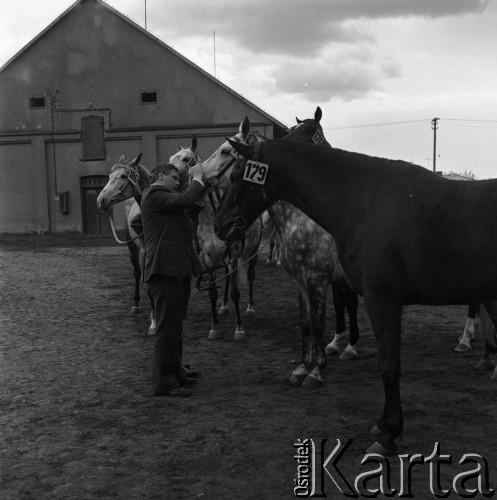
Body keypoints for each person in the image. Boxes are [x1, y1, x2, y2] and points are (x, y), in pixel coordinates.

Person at [141, 161, 205, 397]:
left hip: (176, 270)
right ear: (158, 176)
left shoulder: (161, 205)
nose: (178, 182)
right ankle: (164, 383)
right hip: (164, 271)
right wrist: (197, 179)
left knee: (175, 328)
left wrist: (197, 268)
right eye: (173, 177)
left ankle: (176, 372)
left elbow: (181, 231)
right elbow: (185, 200)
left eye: (179, 179)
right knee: (167, 330)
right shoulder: (155, 194)